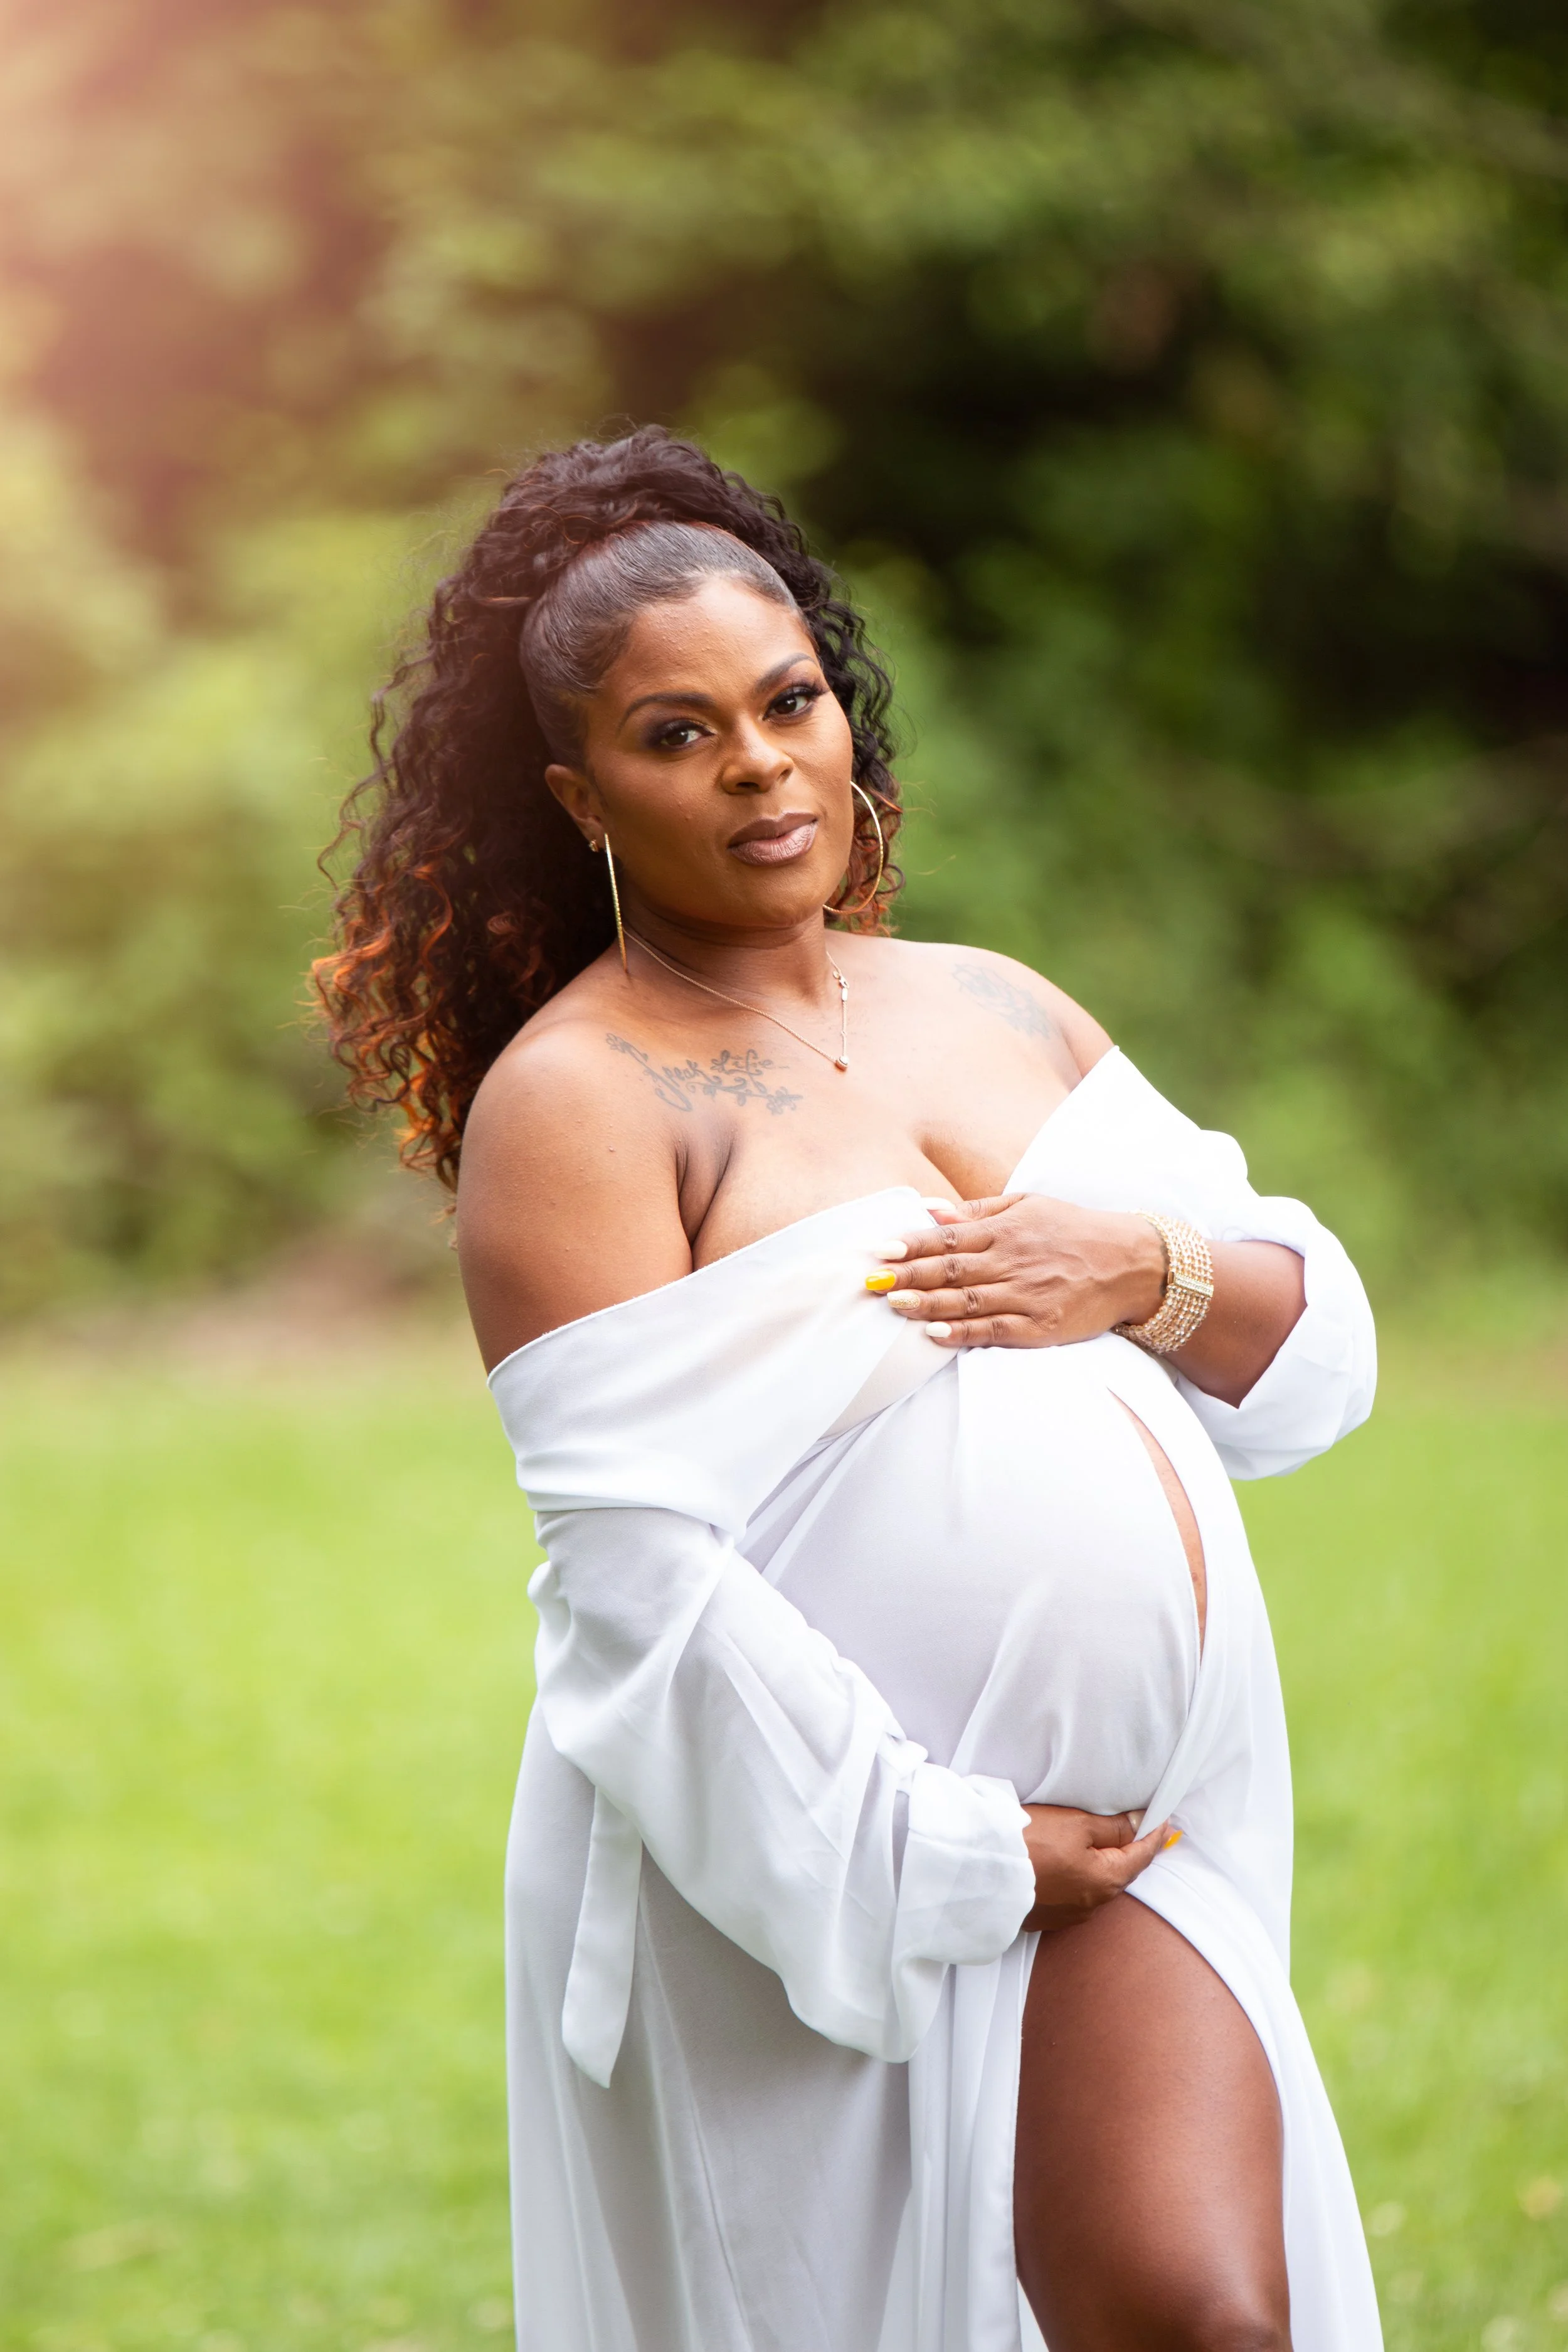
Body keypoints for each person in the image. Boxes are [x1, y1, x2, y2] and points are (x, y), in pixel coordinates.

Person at [316, 427, 1381, 2352]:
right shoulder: (581, 1098)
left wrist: (1137, 1267)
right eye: (675, 731)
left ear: (837, 700)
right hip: (818, 1868)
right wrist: (948, 1851)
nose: (754, 761)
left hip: (1144, 1822)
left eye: (786, 697)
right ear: (579, 795)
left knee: (1213, 2312)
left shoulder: (990, 1003)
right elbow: (636, 1592)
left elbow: (1310, 1350)